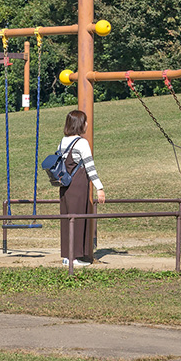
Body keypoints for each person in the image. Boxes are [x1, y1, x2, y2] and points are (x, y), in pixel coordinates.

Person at [57, 110, 105, 267]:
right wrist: (100, 187)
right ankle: (75, 257)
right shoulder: (82, 143)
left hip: (64, 186)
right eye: (84, 121)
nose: (86, 124)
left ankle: (67, 255)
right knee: (77, 219)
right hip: (78, 186)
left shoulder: (63, 142)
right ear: (79, 124)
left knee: (67, 219)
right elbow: (90, 167)